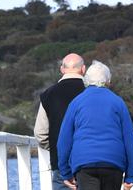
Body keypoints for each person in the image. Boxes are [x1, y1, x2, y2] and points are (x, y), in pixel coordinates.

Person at [57, 61, 133, 190]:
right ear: (108, 81)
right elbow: (129, 140)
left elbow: (63, 140)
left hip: (84, 162)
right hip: (113, 162)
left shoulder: (76, 102)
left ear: (86, 80)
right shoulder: (118, 102)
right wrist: (131, 175)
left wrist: (65, 173)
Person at [34, 53, 86, 190]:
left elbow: (40, 133)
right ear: (83, 69)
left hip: (61, 164)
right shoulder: (91, 92)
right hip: (89, 161)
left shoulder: (48, 94)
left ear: (62, 69)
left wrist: (57, 148)